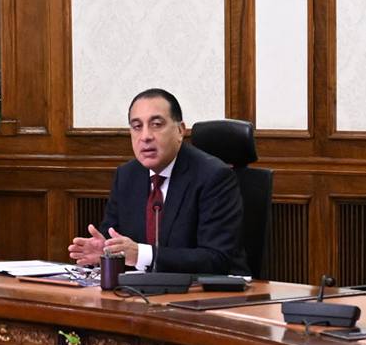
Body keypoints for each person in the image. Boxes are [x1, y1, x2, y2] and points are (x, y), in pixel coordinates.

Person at [67, 88, 241, 274]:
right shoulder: (127, 176)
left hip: (204, 291)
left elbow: (216, 258)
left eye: (156, 124)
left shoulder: (213, 176)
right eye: (137, 126)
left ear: (180, 130)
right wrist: (105, 251)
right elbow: (113, 239)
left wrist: (142, 255)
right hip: (138, 290)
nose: (145, 136)